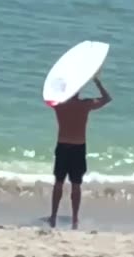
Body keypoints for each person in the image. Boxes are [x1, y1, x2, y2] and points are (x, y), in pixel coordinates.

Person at [48, 76, 112, 229]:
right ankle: (75, 219)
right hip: (78, 147)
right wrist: (98, 82)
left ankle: (53, 217)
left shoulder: (59, 105)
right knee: (76, 184)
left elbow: (49, 96)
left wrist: (60, 85)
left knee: (58, 183)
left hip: (63, 146)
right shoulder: (85, 105)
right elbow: (107, 98)